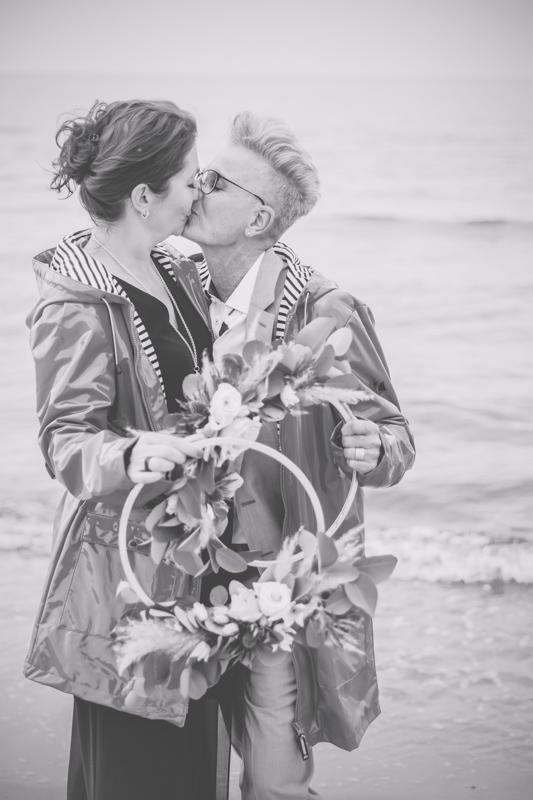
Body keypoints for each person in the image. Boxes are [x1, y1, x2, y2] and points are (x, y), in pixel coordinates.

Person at [180, 111, 416, 799]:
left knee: (274, 777)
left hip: (277, 589)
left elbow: (396, 437)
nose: (194, 189)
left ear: (258, 220)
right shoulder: (174, 292)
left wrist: (374, 449)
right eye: (199, 174)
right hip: (184, 580)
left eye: (214, 182)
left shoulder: (326, 310)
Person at [23, 99, 232, 800]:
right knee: (138, 770)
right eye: (191, 179)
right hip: (126, 579)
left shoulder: (176, 270)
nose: (201, 190)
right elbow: (66, 440)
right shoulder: (74, 302)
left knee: (191, 761)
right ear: (144, 196)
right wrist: (128, 458)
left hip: (191, 557)